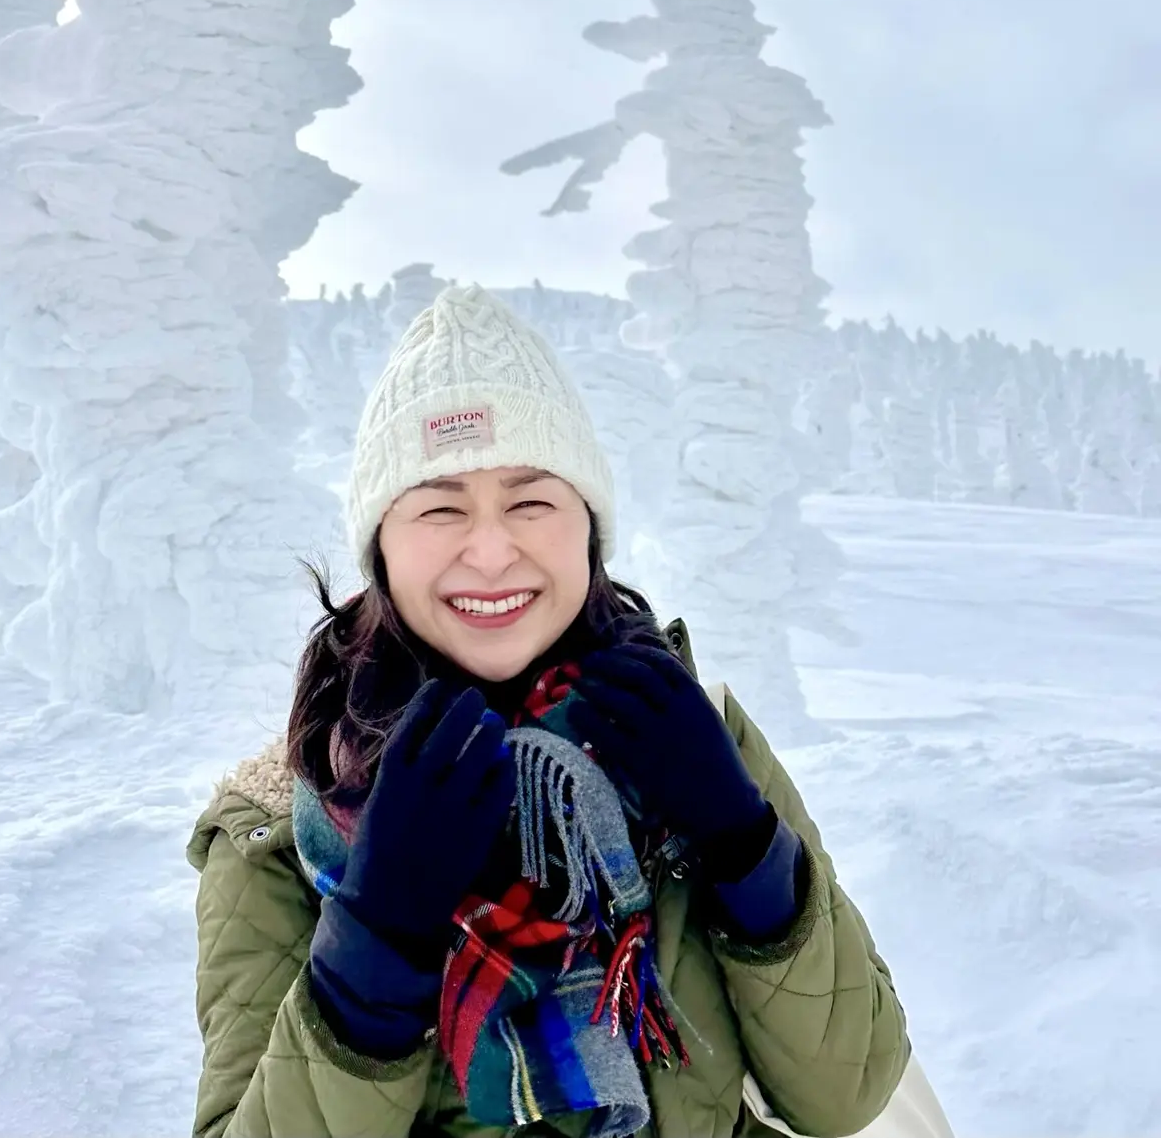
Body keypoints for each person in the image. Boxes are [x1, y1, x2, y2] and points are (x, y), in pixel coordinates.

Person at [187, 285, 910, 1138]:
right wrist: (372, 944)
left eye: (531, 500)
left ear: (588, 530)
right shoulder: (278, 825)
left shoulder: (690, 728)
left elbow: (848, 1092)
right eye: (439, 505)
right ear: (381, 541)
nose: (491, 550)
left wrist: (745, 847)